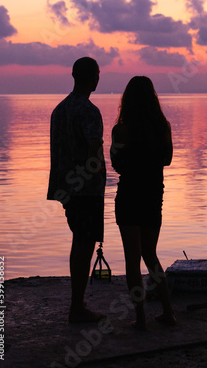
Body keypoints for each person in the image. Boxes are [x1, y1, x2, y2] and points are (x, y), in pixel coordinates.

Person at [110, 76, 176, 330]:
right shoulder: (163, 126)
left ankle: (140, 318)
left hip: (129, 195)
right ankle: (169, 312)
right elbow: (167, 160)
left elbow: (116, 163)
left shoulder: (121, 130)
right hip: (152, 195)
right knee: (150, 255)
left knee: (132, 259)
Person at [47, 57, 106, 323]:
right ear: (95, 77)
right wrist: (97, 173)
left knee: (78, 242)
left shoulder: (60, 110)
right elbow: (94, 149)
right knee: (84, 244)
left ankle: (76, 303)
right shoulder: (89, 110)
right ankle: (77, 307)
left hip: (66, 189)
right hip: (86, 190)